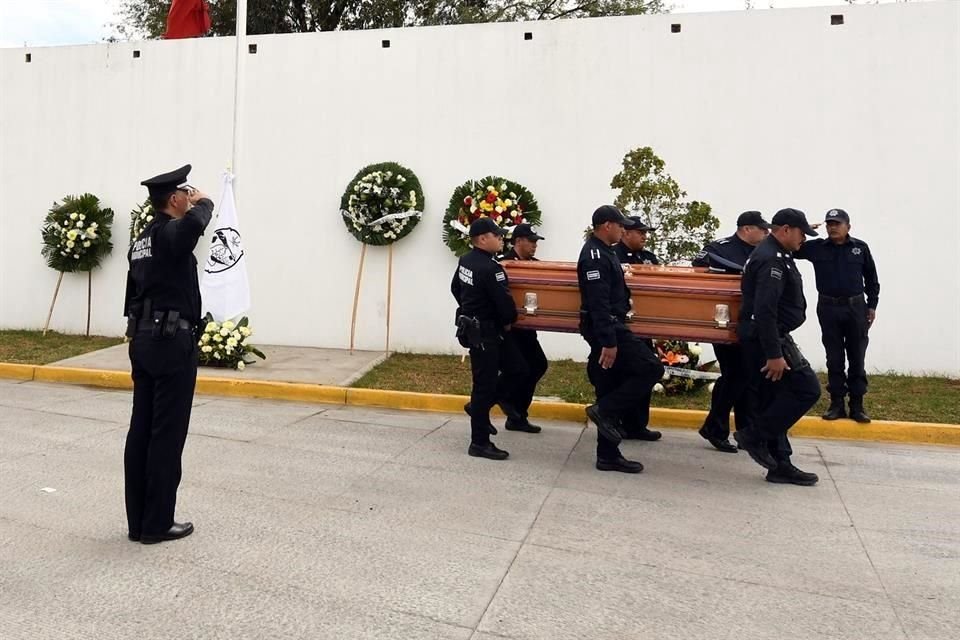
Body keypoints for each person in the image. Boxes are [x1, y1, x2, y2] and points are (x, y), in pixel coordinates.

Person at [123, 164, 213, 544]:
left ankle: (138, 521)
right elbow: (193, 227)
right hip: (170, 343)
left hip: (143, 341)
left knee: (141, 430)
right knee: (166, 434)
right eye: (185, 193)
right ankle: (157, 523)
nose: (189, 198)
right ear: (174, 199)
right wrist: (205, 202)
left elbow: (132, 294)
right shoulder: (170, 233)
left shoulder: (140, 241)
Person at [734, 208, 822, 486]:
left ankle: (780, 463)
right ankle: (753, 436)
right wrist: (774, 354)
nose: (803, 240)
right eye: (801, 233)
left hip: (770, 336)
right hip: (767, 339)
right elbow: (765, 310)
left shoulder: (776, 253)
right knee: (807, 389)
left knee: (775, 400)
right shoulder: (770, 259)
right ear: (785, 229)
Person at [578, 206, 665, 473]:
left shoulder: (604, 251)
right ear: (607, 225)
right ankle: (604, 411)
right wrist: (609, 341)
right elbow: (598, 302)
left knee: (609, 383)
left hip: (610, 327)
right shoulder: (595, 255)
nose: (623, 229)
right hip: (609, 328)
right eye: (620, 225)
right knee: (651, 368)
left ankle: (607, 455)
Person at [691, 211, 770, 453]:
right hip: (724, 322)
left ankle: (744, 431)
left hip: (750, 322)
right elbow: (699, 269)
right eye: (762, 228)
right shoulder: (720, 248)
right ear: (747, 229)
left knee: (747, 377)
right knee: (737, 374)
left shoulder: (762, 251)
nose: (766, 233)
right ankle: (716, 427)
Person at [451, 218, 530, 460]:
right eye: (497, 235)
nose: (500, 239)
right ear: (483, 239)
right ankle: (479, 443)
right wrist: (507, 318)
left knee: (519, 370)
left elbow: (455, 288)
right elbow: (505, 306)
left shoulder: (466, 260)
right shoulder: (491, 268)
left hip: (477, 328)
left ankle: (477, 409)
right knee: (484, 385)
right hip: (486, 332)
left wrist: (470, 307)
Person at [794, 209, 879, 423]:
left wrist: (872, 306)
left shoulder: (860, 248)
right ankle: (837, 404)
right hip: (828, 307)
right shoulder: (817, 248)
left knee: (857, 356)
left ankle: (857, 405)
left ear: (848, 226)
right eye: (829, 223)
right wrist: (803, 231)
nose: (833, 227)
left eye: (837, 223)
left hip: (856, 308)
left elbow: (871, 279)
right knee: (834, 357)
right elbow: (788, 247)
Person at [612, 215, 663, 441]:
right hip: (623, 326)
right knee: (621, 375)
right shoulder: (614, 256)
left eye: (645, 233)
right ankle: (616, 420)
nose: (644, 236)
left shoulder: (649, 258)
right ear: (625, 233)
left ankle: (637, 424)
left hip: (645, 324)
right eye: (639, 232)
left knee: (645, 370)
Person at [497, 223, 548, 433]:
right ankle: (503, 399)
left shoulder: (535, 264)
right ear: (518, 241)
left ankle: (517, 413)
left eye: (536, 241)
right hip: (510, 327)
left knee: (538, 365)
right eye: (532, 241)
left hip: (528, 328)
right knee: (519, 369)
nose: (535, 245)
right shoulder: (504, 263)